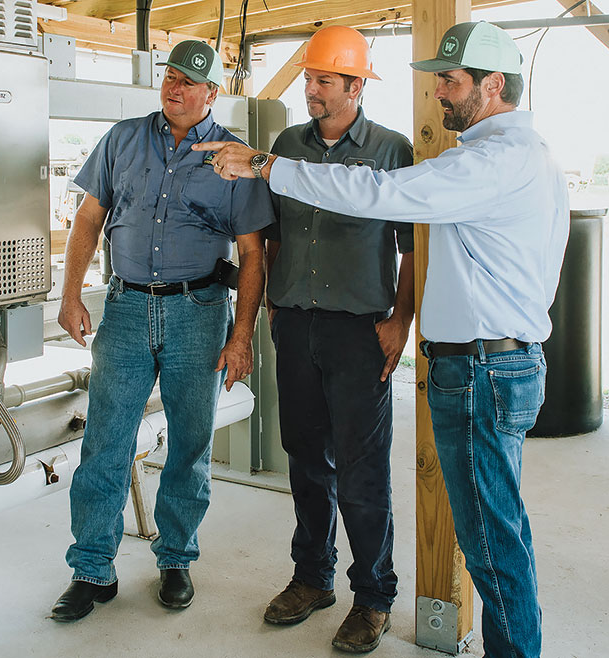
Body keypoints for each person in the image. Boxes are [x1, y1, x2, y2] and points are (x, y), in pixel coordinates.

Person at [195, 21, 568, 658]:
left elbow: (381, 199)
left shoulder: (490, 160)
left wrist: (263, 164)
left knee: (486, 535)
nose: (442, 95)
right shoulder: (489, 156)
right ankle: (314, 577)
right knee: (485, 529)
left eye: (450, 82)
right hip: (461, 360)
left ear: (494, 85)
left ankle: (382, 597)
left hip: (476, 365)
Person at [52, 39, 274, 622]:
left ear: (212, 92)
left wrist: (241, 336)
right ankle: (91, 568)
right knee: (105, 440)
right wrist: (72, 294)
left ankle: (175, 558)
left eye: (189, 81)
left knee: (191, 444)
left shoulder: (235, 158)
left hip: (199, 311)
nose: (175, 88)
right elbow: (89, 219)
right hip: (124, 310)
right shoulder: (123, 139)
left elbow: (253, 254)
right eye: (170, 76)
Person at [260, 25, 414, 654]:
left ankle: (373, 595)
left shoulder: (390, 149)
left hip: (360, 331)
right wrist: (273, 305)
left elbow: (413, 247)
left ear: (356, 86)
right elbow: (271, 236)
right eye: (308, 78)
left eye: (324, 80)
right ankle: (312, 577)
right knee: (304, 456)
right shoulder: (286, 144)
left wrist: (400, 321)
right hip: (296, 323)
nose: (311, 89)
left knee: (361, 469)